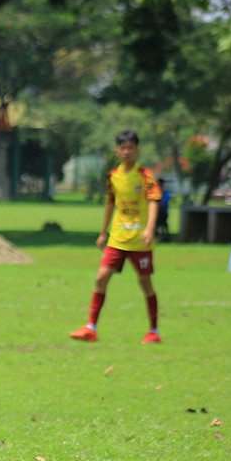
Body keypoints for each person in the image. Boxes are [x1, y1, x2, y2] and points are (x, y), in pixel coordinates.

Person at [70, 130, 162, 344]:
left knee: (145, 282)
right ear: (117, 151)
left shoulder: (145, 175)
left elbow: (153, 200)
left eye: (131, 147)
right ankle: (90, 328)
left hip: (140, 240)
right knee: (101, 278)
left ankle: (154, 331)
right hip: (118, 238)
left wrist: (149, 228)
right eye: (123, 148)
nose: (127, 151)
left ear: (137, 150)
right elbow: (110, 203)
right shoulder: (114, 176)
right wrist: (103, 232)